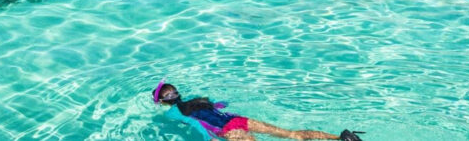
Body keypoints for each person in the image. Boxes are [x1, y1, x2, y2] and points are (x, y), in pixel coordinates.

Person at [152, 81, 363, 141]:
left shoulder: (173, 113)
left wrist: (211, 140)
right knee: (292, 134)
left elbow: (197, 124)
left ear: (162, 102)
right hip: (238, 120)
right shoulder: (198, 100)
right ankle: (340, 138)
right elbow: (220, 105)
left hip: (226, 131)